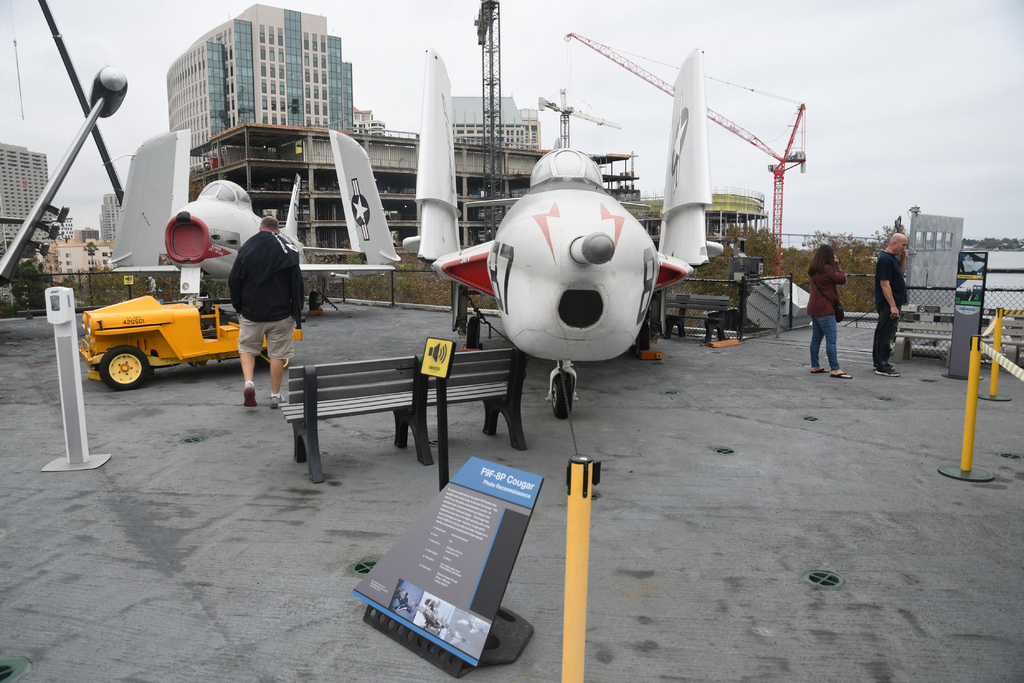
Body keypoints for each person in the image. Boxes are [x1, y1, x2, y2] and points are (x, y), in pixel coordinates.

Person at [228, 215, 303, 408]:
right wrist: (296, 309)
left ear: (260, 229)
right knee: (277, 354)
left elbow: (234, 281)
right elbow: (297, 283)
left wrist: (238, 307)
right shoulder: (289, 249)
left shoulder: (247, 249)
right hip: (280, 314)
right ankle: (275, 396)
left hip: (252, 312)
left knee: (247, 349)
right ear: (278, 231)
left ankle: (249, 383)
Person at [807, 244, 851, 379]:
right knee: (831, 340)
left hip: (814, 308)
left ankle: (815, 365)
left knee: (816, 338)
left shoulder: (813, 269)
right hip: (825, 310)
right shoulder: (827, 269)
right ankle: (835, 369)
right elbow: (842, 279)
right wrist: (837, 265)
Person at [873, 232, 909, 377]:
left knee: (882, 332)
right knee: (886, 335)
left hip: (890, 303)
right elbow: (884, 283)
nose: (905, 247)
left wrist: (903, 258)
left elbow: (900, 272)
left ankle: (878, 362)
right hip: (888, 304)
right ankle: (882, 365)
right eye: (903, 244)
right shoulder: (886, 260)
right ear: (894, 243)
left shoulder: (891, 259)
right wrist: (893, 305)